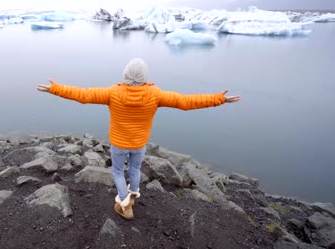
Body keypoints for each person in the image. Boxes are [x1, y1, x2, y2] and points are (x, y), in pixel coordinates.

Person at [37, 58, 240, 220]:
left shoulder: (113, 92)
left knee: (118, 171)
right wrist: (219, 99)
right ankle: (132, 195)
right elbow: (185, 102)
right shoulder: (155, 94)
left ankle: (125, 205)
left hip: (118, 143)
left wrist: (55, 88)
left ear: (125, 75)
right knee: (134, 169)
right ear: (145, 77)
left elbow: (84, 95)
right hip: (139, 143)